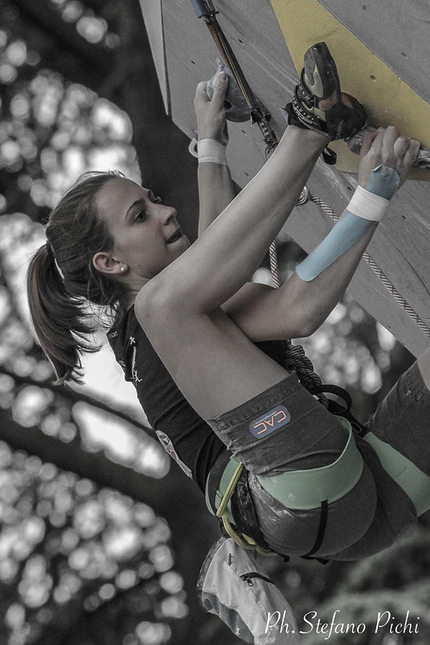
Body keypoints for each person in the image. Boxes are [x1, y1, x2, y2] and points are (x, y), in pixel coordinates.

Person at [27, 43, 429, 564]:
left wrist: (211, 140)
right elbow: (218, 266)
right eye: (139, 217)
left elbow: (296, 308)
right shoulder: (155, 322)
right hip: (297, 492)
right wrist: (369, 192)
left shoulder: (189, 329)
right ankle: (307, 127)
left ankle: (307, 128)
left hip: (360, 505)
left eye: (152, 197)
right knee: (162, 303)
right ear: (110, 264)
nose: (166, 211)